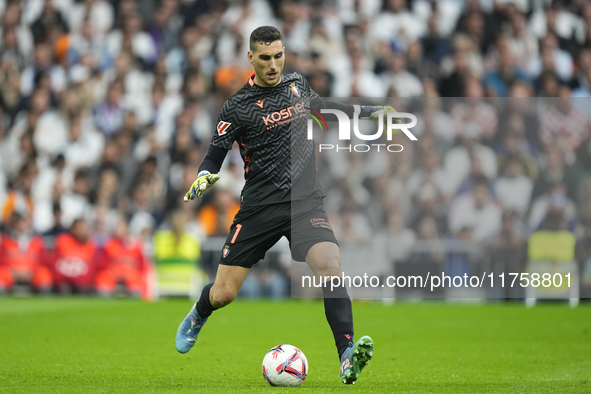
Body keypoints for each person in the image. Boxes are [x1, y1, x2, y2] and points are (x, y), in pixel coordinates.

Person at [175, 26, 394, 385]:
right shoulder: (237, 106)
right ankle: (200, 312)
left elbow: (325, 110)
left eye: (278, 55)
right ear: (251, 58)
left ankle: (346, 354)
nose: (273, 64)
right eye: (265, 57)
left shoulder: (296, 85)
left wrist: (368, 112)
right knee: (224, 293)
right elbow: (214, 152)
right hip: (260, 207)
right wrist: (204, 174)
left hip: (305, 202)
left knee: (329, 265)